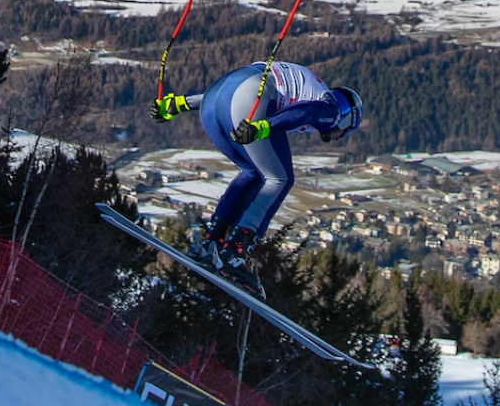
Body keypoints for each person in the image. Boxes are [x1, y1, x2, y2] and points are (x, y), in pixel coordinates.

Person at [150, 61, 362, 295]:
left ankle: (213, 240)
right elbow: (308, 113)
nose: (338, 138)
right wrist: (265, 126)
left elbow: (228, 92)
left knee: (252, 172)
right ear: (346, 118)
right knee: (280, 179)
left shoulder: (311, 87)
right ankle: (237, 251)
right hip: (246, 98)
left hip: (214, 101)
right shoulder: (331, 110)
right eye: (345, 131)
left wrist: (179, 104)